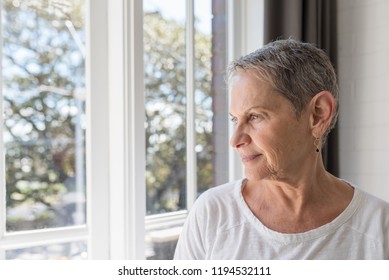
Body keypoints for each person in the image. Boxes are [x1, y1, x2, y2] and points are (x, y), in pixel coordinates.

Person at [174, 39, 389, 260]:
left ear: (318, 115)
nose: (235, 139)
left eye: (255, 116)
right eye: (234, 119)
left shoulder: (379, 227)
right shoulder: (212, 213)